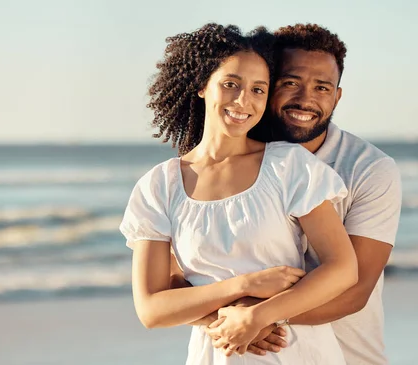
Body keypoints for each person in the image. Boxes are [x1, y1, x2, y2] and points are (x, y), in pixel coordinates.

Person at [119, 23, 358, 364]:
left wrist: (258, 316)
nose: (244, 100)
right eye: (231, 84)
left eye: (259, 90)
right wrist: (242, 288)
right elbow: (152, 309)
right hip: (218, 352)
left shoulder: (288, 165)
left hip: (296, 352)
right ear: (203, 86)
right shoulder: (159, 186)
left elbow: (342, 268)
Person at [194, 24, 402, 365]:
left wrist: (258, 318)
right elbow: (180, 283)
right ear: (267, 84)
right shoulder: (224, 164)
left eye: (322, 88)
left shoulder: (369, 169)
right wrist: (231, 320)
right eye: (291, 83)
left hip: (348, 357)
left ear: (336, 96)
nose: (306, 99)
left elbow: (356, 290)